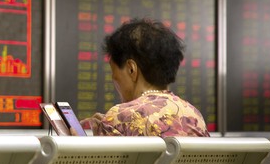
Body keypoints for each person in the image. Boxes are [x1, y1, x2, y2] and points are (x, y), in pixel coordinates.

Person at [80, 18, 209, 137]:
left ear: (131, 69)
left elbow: (103, 162)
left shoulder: (120, 118)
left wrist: (79, 146)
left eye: (113, 70)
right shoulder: (194, 116)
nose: (113, 78)